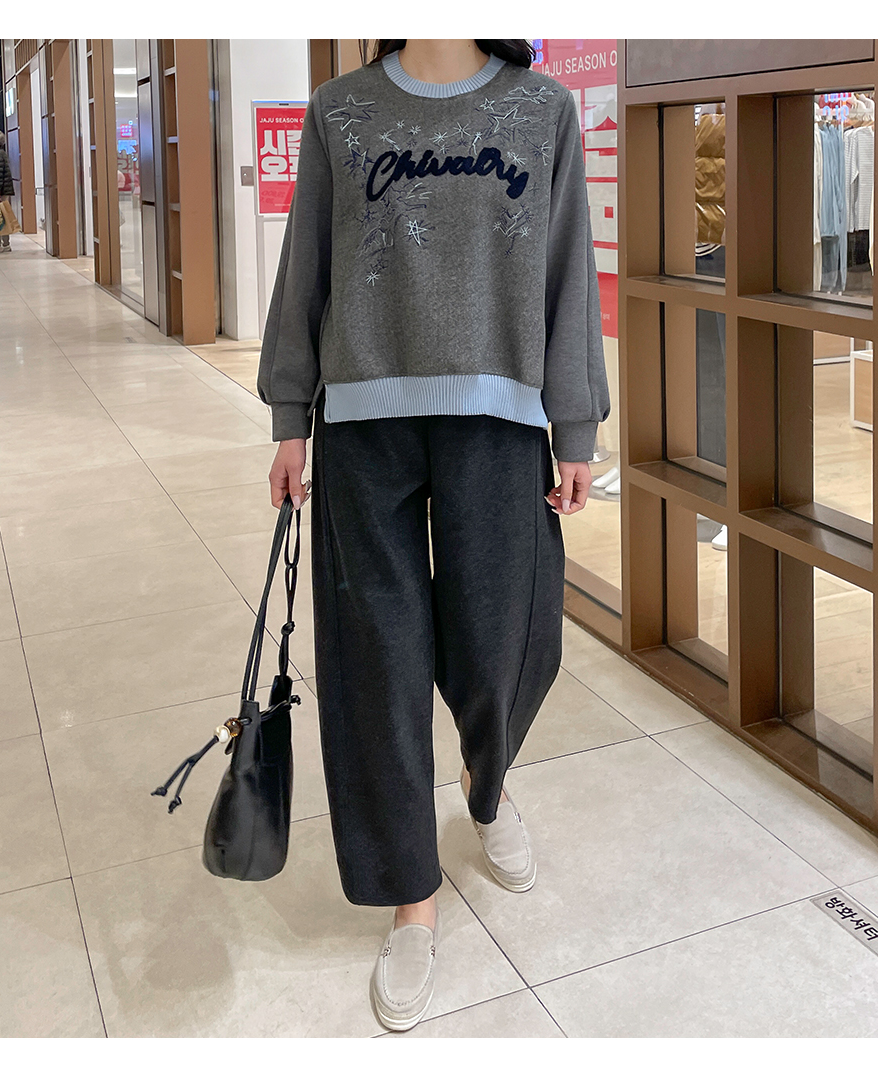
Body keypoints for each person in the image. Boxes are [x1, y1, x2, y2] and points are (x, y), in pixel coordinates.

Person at [257, 38, 610, 1031]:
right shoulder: (340, 109)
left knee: (506, 641)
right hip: (363, 418)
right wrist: (289, 416)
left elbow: (568, 273)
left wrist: (575, 426)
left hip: (499, 419)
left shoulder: (542, 109)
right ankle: (411, 892)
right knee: (377, 662)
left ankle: (484, 784)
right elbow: (306, 267)